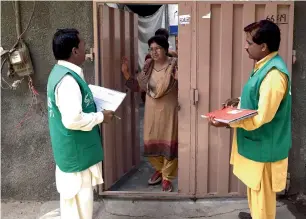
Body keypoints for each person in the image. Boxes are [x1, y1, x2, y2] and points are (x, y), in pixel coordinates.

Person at [207, 20, 291, 219]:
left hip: (265, 147)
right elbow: (259, 100)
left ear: (263, 47)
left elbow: (262, 116)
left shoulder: (273, 75)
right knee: (254, 189)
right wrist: (239, 102)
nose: (246, 46)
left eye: (249, 43)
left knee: (261, 195)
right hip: (257, 145)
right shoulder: (264, 65)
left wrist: (227, 121)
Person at [47, 28, 114, 219]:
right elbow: (72, 119)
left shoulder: (59, 72)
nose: (87, 48)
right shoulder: (68, 81)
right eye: (84, 45)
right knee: (80, 206)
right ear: (75, 51)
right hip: (76, 154)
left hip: (69, 150)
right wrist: (101, 117)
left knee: (73, 205)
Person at [121, 35, 179, 192]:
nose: (154, 52)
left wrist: (182, 79)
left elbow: (188, 85)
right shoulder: (148, 65)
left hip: (169, 110)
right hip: (152, 109)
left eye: (157, 48)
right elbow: (139, 86)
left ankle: (167, 177)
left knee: (169, 142)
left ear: (165, 49)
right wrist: (126, 73)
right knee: (150, 140)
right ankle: (160, 169)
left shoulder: (175, 65)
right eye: (151, 49)